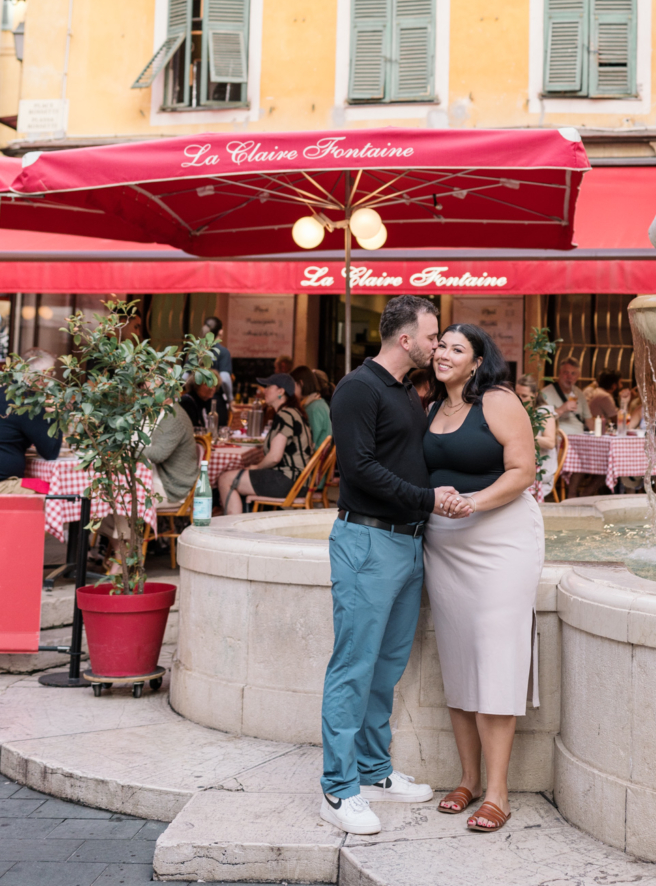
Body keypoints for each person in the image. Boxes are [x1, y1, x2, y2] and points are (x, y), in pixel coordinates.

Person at [320, 296, 464, 839]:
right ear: (406, 340)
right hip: (367, 542)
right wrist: (428, 499)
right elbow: (357, 471)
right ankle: (337, 789)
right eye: (431, 337)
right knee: (353, 667)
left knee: (386, 668)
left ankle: (375, 772)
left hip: (406, 544)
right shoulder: (358, 388)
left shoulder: (406, 391)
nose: (437, 346)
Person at [423, 323, 543, 834]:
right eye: (441, 345)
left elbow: (524, 470)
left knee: (495, 655)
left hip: (500, 540)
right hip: (444, 544)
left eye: (457, 348)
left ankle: (498, 793)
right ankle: (468, 778)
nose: (444, 353)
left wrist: (472, 502)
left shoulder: (496, 400)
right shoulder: (431, 405)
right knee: (457, 655)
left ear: (476, 362)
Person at [218, 374, 312, 514]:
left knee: (225, 479)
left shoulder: (285, 415)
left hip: (288, 480)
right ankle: (245, 524)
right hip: (298, 481)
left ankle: (233, 531)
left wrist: (256, 467)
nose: (264, 390)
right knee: (236, 477)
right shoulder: (293, 413)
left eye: (268, 387)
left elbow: (275, 457)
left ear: (281, 391)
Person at [0, 349, 61, 484]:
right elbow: (51, 452)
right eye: (51, 373)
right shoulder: (28, 400)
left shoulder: (5, 391)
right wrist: (54, 413)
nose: (52, 379)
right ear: (42, 374)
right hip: (3, 482)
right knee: (51, 493)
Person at [145, 403, 198, 504]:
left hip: (173, 487)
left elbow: (158, 454)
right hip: (155, 479)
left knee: (121, 498)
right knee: (112, 493)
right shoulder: (155, 412)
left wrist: (128, 451)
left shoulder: (174, 415)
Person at [516, 373, 557, 498]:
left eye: (524, 396)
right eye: (517, 395)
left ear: (535, 395)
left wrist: (526, 436)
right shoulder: (517, 409)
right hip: (521, 464)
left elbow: (550, 442)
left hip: (541, 467)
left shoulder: (544, 412)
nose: (520, 399)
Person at [541, 357, 590, 436]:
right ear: (560, 373)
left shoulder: (579, 393)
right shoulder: (546, 393)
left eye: (573, 373)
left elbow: (589, 420)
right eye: (566, 372)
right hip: (560, 441)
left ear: (578, 376)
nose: (569, 377)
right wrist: (562, 409)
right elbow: (541, 421)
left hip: (580, 439)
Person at [293, 365, 331, 448]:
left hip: (315, 458)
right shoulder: (318, 403)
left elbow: (309, 442)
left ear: (301, 383)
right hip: (320, 456)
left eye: (293, 384)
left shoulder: (313, 408)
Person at [203, 315, 234, 407]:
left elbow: (185, 376)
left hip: (196, 401)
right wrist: (230, 399)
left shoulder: (196, 350)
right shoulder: (223, 352)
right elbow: (225, 379)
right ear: (220, 331)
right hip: (214, 400)